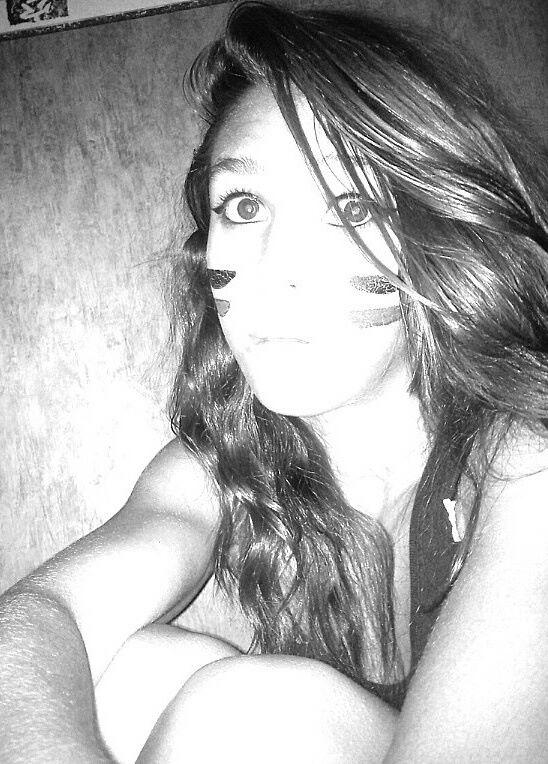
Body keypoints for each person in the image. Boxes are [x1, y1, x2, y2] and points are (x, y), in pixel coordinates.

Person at [1, 2, 548, 761]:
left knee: (254, 711)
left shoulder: (528, 460)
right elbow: (39, 619)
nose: (271, 266)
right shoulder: (231, 461)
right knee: (129, 674)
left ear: (444, 237)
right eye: (245, 205)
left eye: (353, 206)